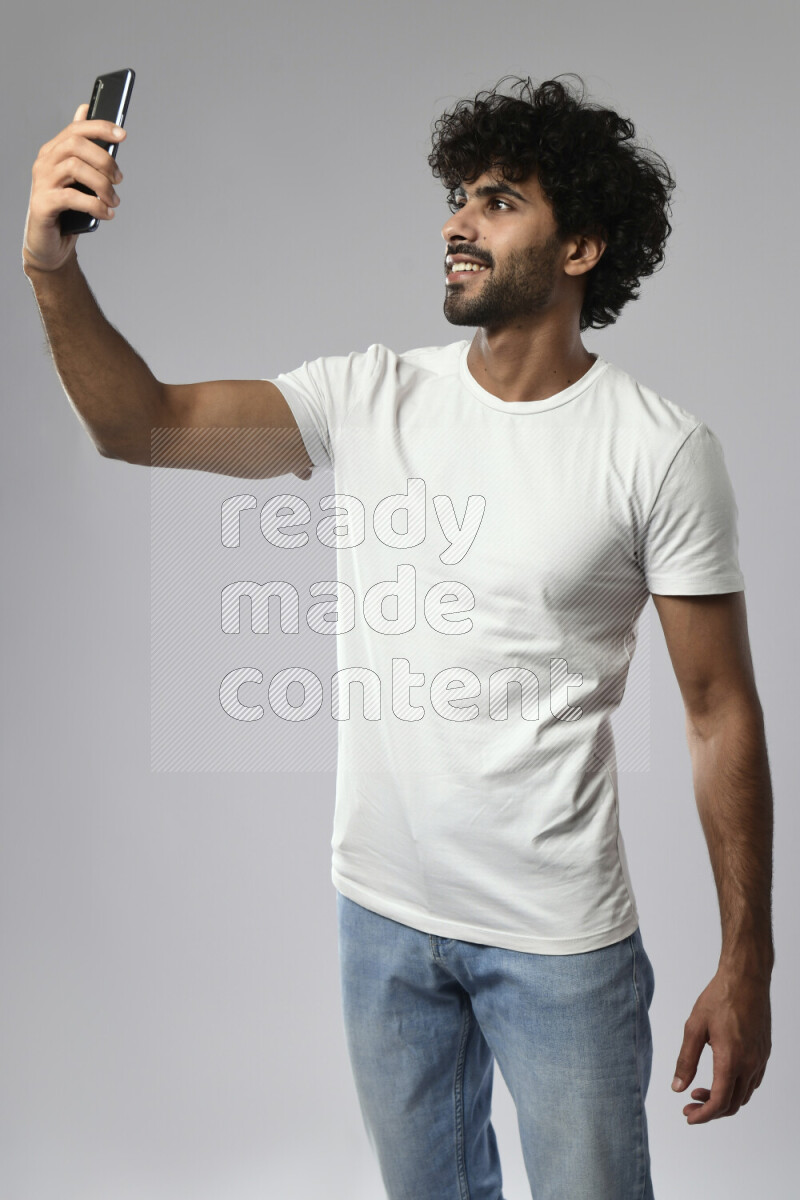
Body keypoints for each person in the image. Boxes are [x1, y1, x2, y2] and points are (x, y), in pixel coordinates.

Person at [22, 73, 774, 1200]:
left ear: (579, 249)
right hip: (380, 924)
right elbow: (141, 423)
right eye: (457, 196)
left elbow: (719, 712)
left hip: (558, 946)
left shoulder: (656, 450)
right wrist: (50, 264)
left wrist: (746, 959)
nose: (454, 223)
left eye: (497, 201)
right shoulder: (369, 397)